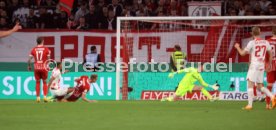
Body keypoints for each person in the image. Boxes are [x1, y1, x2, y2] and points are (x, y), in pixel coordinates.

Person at [234, 26, 276, 110]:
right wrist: (269, 64)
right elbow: (270, 53)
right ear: (260, 33)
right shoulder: (265, 42)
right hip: (261, 65)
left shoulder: (252, 43)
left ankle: (250, 105)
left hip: (254, 65)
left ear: (252, 33)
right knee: (260, 86)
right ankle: (272, 97)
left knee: (250, 84)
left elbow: (242, 53)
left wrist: (237, 47)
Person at [28, 37, 50, 103]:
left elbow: (29, 59)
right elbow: (48, 59)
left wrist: (29, 66)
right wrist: (47, 65)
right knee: (45, 82)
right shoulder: (46, 49)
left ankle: (38, 98)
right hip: (43, 67)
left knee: (37, 82)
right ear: (42, 41)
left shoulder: (34, 49)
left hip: (36, 67)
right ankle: (45, 97)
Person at [264, 26, 276, 109]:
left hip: (271, 64)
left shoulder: (267, 42)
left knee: (269, 85)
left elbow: (265, 55)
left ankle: (268, 104)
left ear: (272, 32)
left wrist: (266, 64)